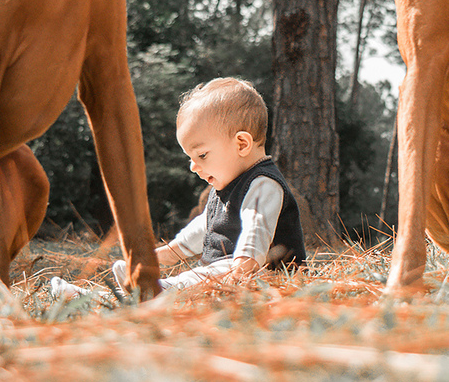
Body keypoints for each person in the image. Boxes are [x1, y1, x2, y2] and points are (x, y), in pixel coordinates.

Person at [113, 77, 307, 292]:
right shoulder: (226, 187)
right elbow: (203, 228)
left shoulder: (263, 184)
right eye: (190, 158)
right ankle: (119, 291)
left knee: (210, 275)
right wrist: (166, 254)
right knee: (205, 274)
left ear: (242, 144)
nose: (193, 167)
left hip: (263, 275)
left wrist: (241, 271)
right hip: (225, 271)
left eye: (202, 155)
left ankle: (156, 290)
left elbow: (256, 230)